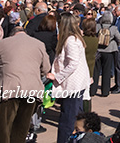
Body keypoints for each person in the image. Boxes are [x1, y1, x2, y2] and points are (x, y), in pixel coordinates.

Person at [0, 25, 51, 143]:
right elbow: (46, 68)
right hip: (32, 90)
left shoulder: (2, 43)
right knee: (22, 127)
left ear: (12, 34)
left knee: (3, 128)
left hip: (8, 88)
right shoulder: (39, 44)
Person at [48, 12, 91, 143]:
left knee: (68, 120)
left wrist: (56, 76)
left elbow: (73, 63)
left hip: (73, 85)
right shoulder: (73, 38)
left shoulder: (71, 40)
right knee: (76, 118)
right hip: (76, 84)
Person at [91, 10, 120, 98]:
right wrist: (115, 45)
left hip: (98, 51)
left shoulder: (97, 26)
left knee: (95, 71)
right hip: (109, 52)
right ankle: (105, 91)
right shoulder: (113, 28)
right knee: (106, 72)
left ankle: (92, 90)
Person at [81, 17, 99, 113]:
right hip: (91, 67)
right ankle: (87, 113)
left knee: (82, 93)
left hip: (82, 67)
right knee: (86, 93)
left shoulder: (82, 40)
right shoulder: (95, 40)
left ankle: (83, 113)